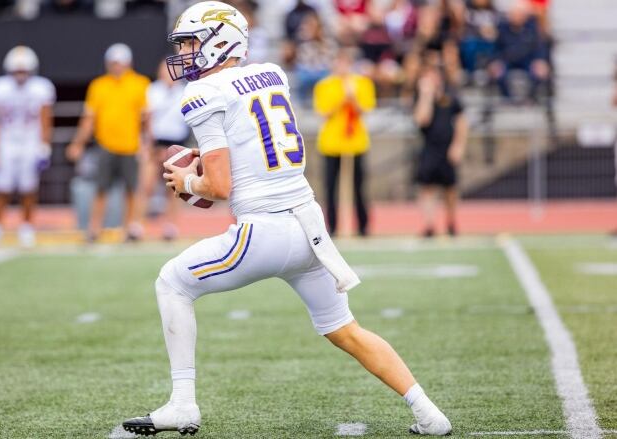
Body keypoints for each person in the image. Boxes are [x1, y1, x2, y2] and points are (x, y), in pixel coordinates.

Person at [122, 2, 452, 436]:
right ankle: (430, 413)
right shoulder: (271, 74)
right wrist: (206, 165)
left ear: (218, 41)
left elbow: (220, 188)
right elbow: (254, 145)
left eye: (190, 42)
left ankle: (183, 404)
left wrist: (188, 182)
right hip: (308, 227)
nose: (184, 52)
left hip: (262, 229)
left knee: (171, 282)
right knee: (346, 330)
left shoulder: (203, 94)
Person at [66, 43, 150, 242]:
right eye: (114, 63)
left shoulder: (140, 84)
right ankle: (94, 229)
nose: (117, 66)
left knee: (131, 190)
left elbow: (146, 119)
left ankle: (129, 229)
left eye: (120, 63)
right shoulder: (99, 85)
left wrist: (146, 145)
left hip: (131, 146)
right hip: (106, 145)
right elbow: (89, 118)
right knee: (101, 189)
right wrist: (78, 143)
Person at [0, 46, 55, 248]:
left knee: (29, 188)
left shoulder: (40, 88)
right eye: (17, 71)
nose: (20, 75)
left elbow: (45, 118)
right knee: (1, 187)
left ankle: (27, 227)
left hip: (30, 141)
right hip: (6, 141)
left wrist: (44, 146)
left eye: (24, 71)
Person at [313, 48, 376, 236]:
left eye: (345, 63)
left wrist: (353, 98)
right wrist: (343, 99)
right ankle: (332, 227)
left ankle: (363, 227)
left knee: (359, 187)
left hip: (355, 142)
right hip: (332, 144)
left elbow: (364, 109)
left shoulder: (363, 83)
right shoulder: (324, 85)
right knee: (330, 188)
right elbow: (324, 113)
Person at [133, 59, 189, 241]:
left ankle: (170, 226)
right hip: (155, 144)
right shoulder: (153, 90)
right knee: (146, 185)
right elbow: (146, 120)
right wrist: (150, 145)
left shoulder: (184, 92)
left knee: (175, 188)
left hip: (176, 143)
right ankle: (137, 226)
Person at [412, 57, 468, 237]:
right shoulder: (420, 97)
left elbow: (461, 122)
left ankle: (451, 222)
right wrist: (426, 96)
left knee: (450, 188)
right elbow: (422, 119)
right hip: (429, 148)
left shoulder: (451, 96)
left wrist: (458, 146)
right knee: (427, 187)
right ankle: (429, 225)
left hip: (448, 147)